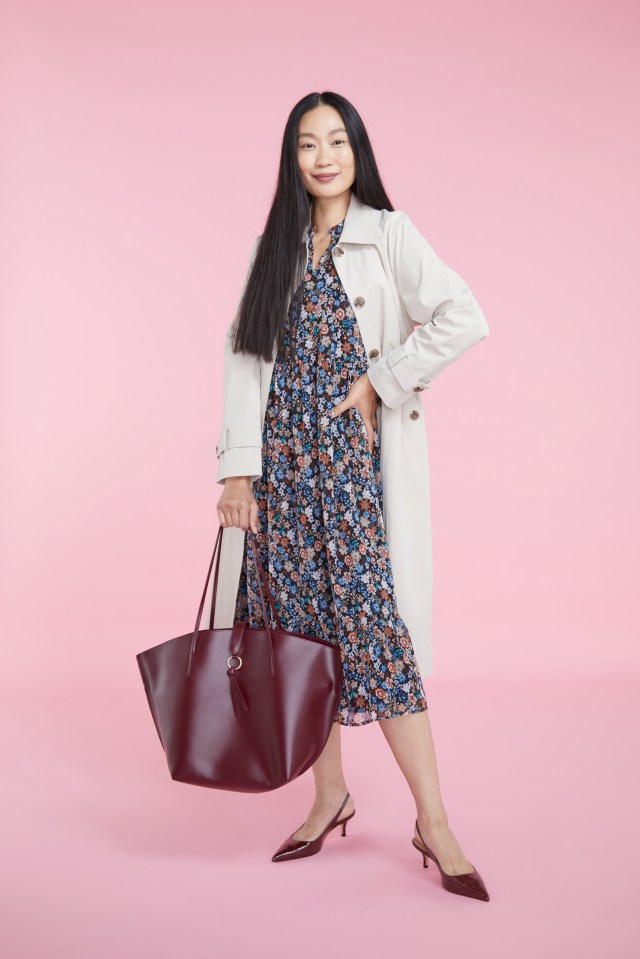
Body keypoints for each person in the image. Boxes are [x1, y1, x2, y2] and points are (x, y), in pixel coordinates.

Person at [215, 91, 490, 902]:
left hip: (353, 474)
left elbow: (462, 315)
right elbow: (243, 356)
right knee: (301, 639)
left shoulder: (388, 235)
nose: (323, 156)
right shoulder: (274, 247)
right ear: (291, 158)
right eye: (308, 143)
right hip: (282, 475)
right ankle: (328, 795)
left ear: (358, 152)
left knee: (380, 637)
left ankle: (434, 823)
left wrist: (383, 378)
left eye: (337, 141)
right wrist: (238, 470)